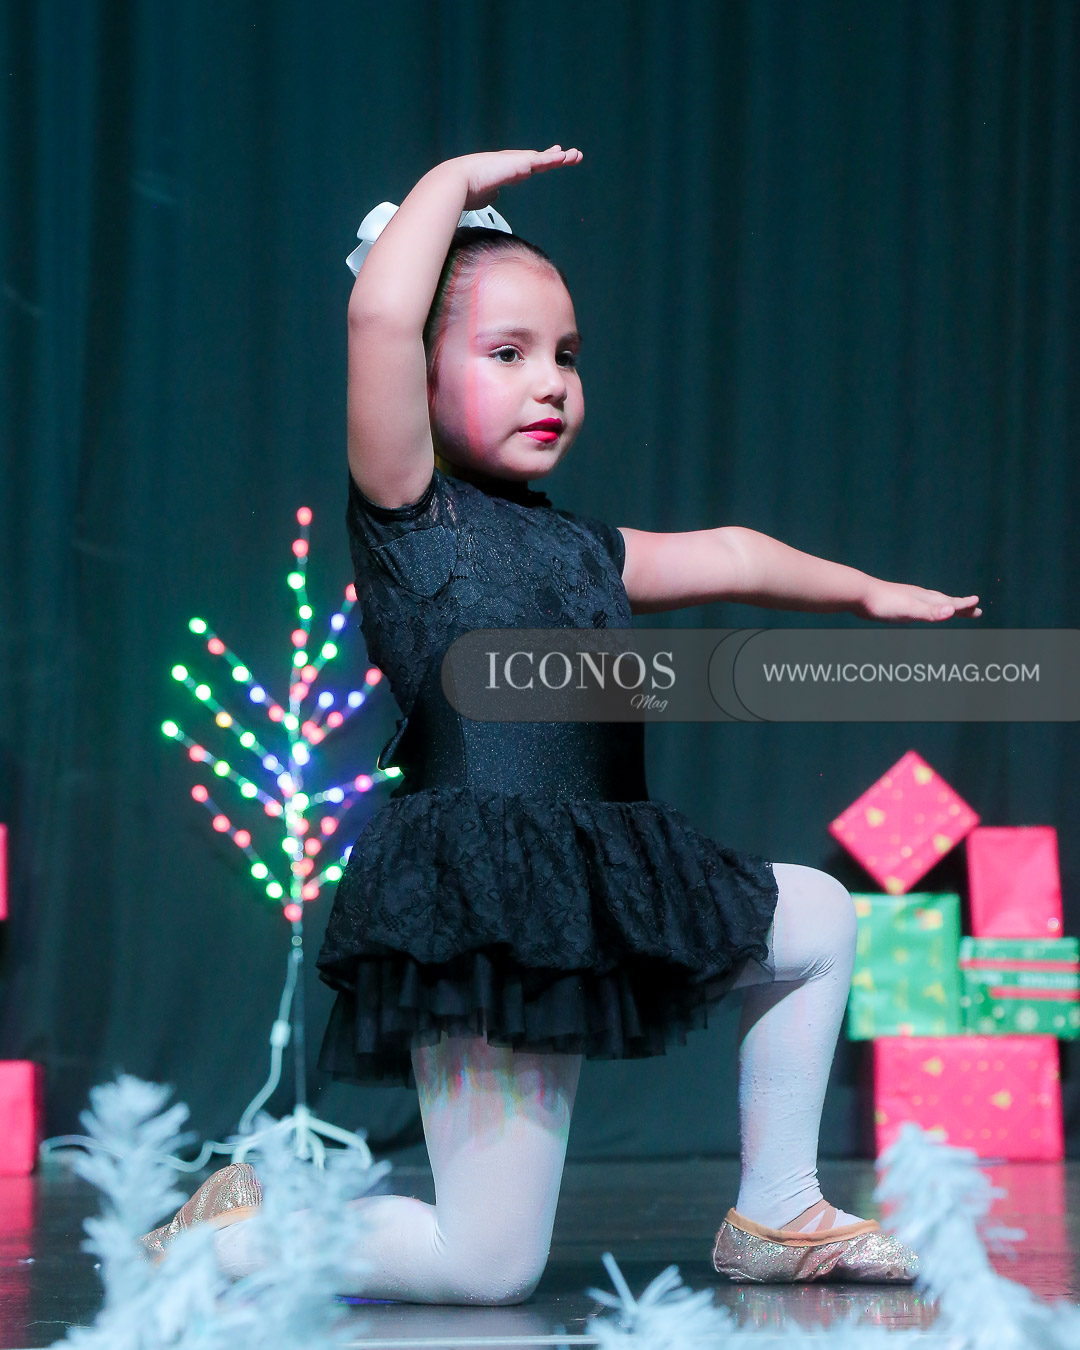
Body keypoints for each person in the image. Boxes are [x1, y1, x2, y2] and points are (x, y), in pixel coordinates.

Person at [141, 146, 981, 1297]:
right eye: (508, 353)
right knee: (489, 1265)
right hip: (486, 898)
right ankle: (235, 1230)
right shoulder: (408, 515)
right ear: (416, 379)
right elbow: (378, 315)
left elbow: (734, 552)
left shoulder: (584, 548)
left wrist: (869, 592)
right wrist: (455, 181)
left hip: (603, 873)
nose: (551, 384)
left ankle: (780, 1211)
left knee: (822, 917)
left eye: (567, 357)